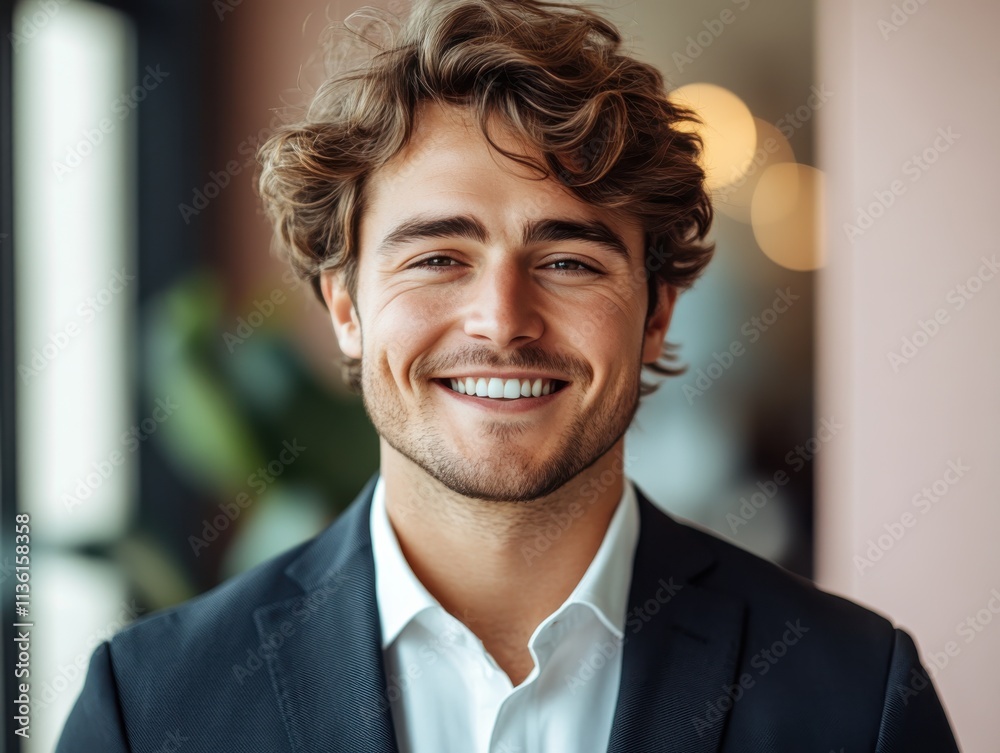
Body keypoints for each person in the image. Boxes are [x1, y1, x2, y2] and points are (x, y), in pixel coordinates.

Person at [57, 1, 959, 750]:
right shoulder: (148, 705)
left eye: (569, 261)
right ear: (344, 305)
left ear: (656, 312)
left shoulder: (856, 699)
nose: (502, 319)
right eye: (438, 257)